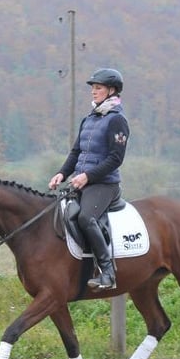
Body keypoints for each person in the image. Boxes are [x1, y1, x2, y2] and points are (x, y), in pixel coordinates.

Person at [48, 67, 130, 290]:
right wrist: (62, 173)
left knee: (85, 218)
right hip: (82, 181)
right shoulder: (90, 119)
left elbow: (116, 158)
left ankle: (107, 272)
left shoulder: (117, 120)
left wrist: (87, 176)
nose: (93, 92)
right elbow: (76, 152)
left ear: (111, 91)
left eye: (98, 88)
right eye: (93, 88)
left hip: (105, 184)